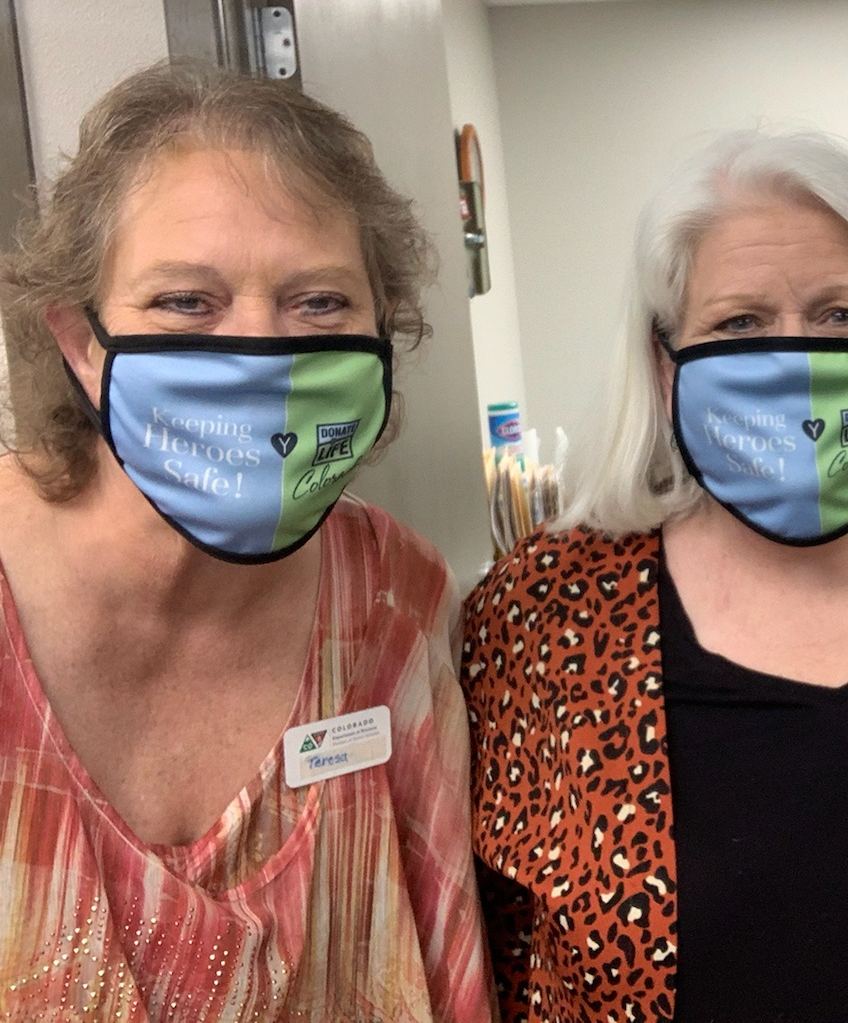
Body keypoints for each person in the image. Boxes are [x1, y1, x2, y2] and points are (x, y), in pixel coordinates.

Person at [461, 130, 848, 1022]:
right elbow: (498, 946)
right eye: (739, 324)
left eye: (842, 315)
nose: (796, 361)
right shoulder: (543, 610)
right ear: (663, 364)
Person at [0, 62, 493, 1021]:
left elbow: (448, 962)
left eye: (321, 304)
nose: (264, 351)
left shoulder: (391, 594)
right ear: (80, 344)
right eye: (187, 301)